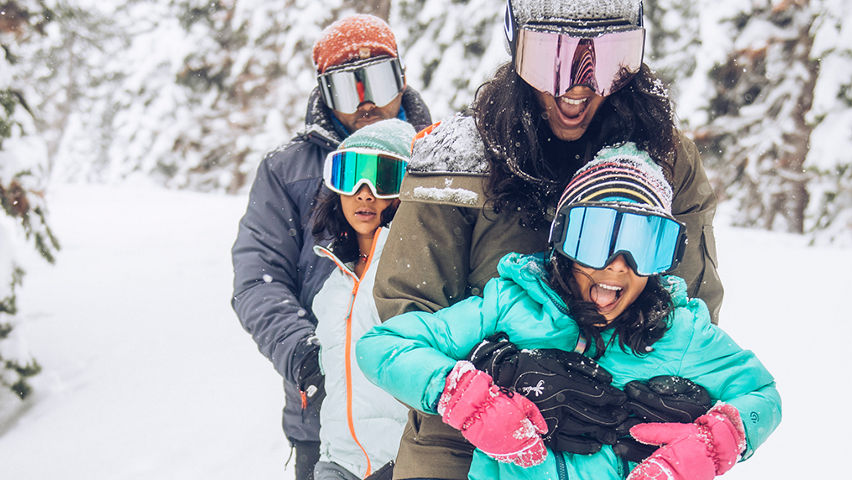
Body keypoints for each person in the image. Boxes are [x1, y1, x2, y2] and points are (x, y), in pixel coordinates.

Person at [373, 1, 722, 478]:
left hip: (612, 447)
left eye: (605, 58)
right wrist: (498, 370)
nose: (576, 84)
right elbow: (407, 315)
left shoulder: (665, 158)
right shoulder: (458, 157)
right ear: (516, 50)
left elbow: (691, 307)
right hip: (462, 445)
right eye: (548, 58)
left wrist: (676, 394)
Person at [358, 143, 781, 480]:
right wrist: (473, 403)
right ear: (563, 242)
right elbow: (384, 345)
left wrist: (706, 447)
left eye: (643, 244)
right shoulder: (512, 305)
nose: (618, 264)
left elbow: (762, 396)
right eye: (595, 238)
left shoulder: (678, 332)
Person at [231, 14, 431, 480]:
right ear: (324, 93)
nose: (366, 103)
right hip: (322, 415)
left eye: (377, 81)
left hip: (419, 420)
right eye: (347, 88)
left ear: (402, 78)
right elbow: (257, 279)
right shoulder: (288, 171)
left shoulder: (439, 155)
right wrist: (305, 355)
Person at [309, 119, 416, 480]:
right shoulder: (334, 282)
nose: (364, 193)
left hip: (400, 464)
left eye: (383, 178)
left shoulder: (416, 271)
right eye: (351, 175)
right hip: (337, 462)